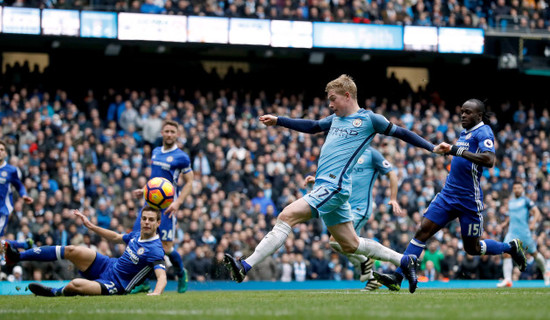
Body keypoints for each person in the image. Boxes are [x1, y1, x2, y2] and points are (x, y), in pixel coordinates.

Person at [223, 74, 448, 293]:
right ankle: (404, 259)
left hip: (334, 186)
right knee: (350, 244)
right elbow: (312, 126)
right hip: (328, 186)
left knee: (286, 216)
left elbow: (402, 133)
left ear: (347, 96)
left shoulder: (370, 119)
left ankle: (245, 266)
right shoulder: (335, 120)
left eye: (333, 99)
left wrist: (431, 147)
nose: (330, 104)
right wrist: (279, 121)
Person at [373, 99, 527, 293]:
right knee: (422, 231)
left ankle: (510, 248)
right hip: (448, 195)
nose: (463, 115)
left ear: (479, 116)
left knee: (472, 249)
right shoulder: (465, 132)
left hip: (469, 200)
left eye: (468, 112)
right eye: (462, 111)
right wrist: (451, 151)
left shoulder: (484, 131)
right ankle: (397, 276)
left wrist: (457, 150)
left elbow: (489, 160)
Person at [2, 207, 167, 296]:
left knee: (75, 284)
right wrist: (91, 226)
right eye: (144, 218)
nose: (146, 222)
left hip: (116, 284)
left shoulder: (155, 250)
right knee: (72, 249)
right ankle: (17, 256)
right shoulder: (137, 234)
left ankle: (53, 293)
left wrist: (157, 293)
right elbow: (116, 236)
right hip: (108, 265)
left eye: (151, 220)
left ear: (158, 223)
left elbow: (162, 277)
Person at [304, 146, 401, 291]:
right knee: (346, 245)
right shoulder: (347, 152)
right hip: (344, 208)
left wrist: (393, 198)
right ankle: (372, 279)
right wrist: (318, 179)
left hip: (360, 208)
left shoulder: (372, 154)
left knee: (335, 241)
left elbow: (392, 174)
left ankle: (375, 262)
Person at [132, 120, 193, 293]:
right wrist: (145, 190)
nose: (169, 134)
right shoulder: (156, 151)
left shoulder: (181, 157)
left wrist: (178, 202)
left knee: (165, 248)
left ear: (177, 134)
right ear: (162, 133)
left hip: (167, 207)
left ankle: (181, 273)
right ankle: (143, 282)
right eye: (166, 131)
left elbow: (190, 182)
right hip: (149, 204)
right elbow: (156, 180)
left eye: (172, 132)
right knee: (138, 240)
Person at [497, 181, 549, 287]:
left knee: (534, 254)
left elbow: (537, 212)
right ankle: (508, 279)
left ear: (522, 189)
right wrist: (505, 223)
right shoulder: (510, 202)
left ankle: (546, 273)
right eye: (515, 188)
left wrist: (533, 223)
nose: (517, 189)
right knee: (506, 252)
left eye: (519, 188)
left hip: (524, 233)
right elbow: (511, 216)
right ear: (513, 189)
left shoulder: (526, 201)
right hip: (512, 232)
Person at [0, 140, 34, 251]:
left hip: (2, 209)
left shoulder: (11, 170)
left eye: (2, 150)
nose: (0, 152)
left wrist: (23, 195)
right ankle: (21, 245)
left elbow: (19, 185)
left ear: (5, 153)